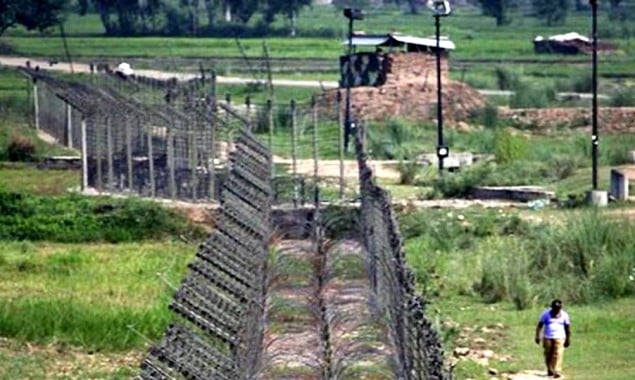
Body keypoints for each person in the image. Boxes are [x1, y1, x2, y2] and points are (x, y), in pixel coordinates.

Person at [535, 299, 571, 378]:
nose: (556, 310)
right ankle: (550, 369)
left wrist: (568, 339)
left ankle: (557, 371)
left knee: (558, 353)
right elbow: (540, 326)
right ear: (552, 307)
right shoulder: (546, 314)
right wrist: (537, 336)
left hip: (560, 337)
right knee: (548, 354)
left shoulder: (565, 315)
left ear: (561, 308)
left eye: (558, 308)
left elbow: (567, 328)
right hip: (547, 337)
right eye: (555, 308)